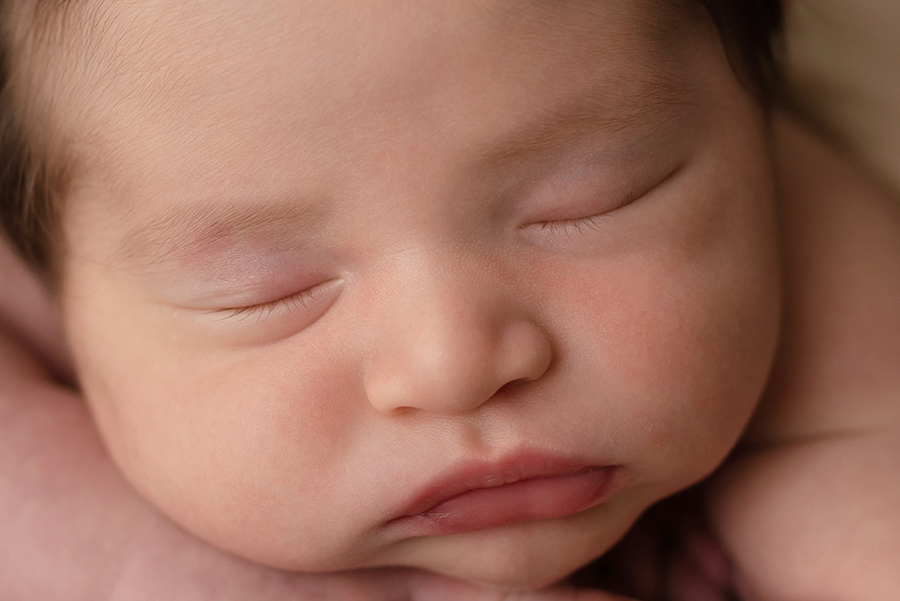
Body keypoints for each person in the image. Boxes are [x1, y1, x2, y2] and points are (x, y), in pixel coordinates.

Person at [1, 1, 898, 599]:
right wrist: (135, 565)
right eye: (271, 290)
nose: (453, 363)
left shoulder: (813, 239)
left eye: (586, 204)